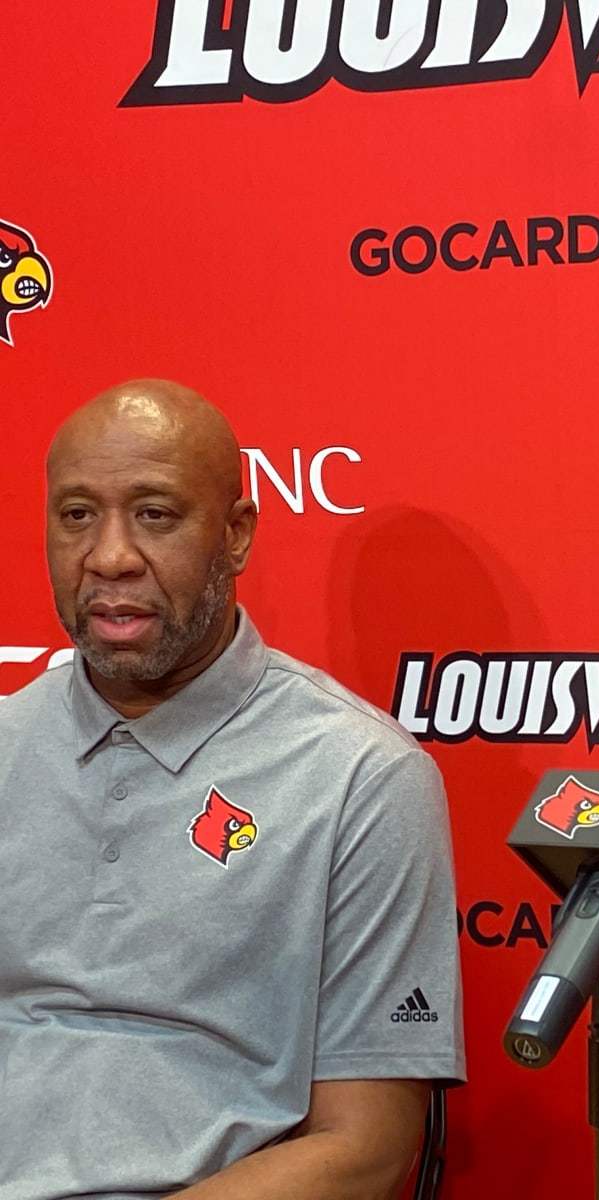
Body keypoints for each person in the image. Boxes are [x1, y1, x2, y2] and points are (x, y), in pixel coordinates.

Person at [0, 380, 465, 1199]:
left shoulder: (361, 776)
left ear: (237, 534)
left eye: (154, 514)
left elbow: (366, 1149)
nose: (109, 556)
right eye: (77, 514)